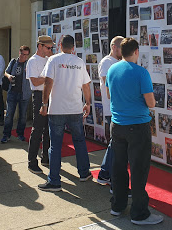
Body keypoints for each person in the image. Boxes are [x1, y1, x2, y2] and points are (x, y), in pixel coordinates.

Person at [105, 38, 163, 225]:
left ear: (121, 51)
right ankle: (139, 213)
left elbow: (108, 94)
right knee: (138, 169)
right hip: (137, 126)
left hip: (117, 125)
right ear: (136, 52)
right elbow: (151, 103)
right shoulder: (141, 73)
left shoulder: (112, 69)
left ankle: (117, 205)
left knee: (118, 166)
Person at [38, 35, 92, 191]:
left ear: (60, 45)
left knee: (55, 145)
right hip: (75, 108)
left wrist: (44, 104)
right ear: (73, 47)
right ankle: (84, 173)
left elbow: (48, 82)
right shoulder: (79, 62)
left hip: (57, 109)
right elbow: (86, 86)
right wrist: (87, 103)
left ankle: (54, 180)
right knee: (79, 141)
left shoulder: (53, 60)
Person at [96, 36, 124, 185]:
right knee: (115, 143)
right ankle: (106, 174)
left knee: (115, 143)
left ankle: (105, 173)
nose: (123, 51)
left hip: (117, 109)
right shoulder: (107, 62)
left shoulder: (118, 62)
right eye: (121, 48)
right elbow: (108, 84)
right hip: (111, 109)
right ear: (114, 47)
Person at [26, 36, 54, 174]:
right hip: (38, 95)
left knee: (48, 129)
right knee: (37, 129)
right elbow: (35, 82)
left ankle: (46, 157)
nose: (50, 50)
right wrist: (49, 77)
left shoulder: (50, 59)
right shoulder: (32, 61)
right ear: (40, 46)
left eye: (51, 48)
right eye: (48, 48)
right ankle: (32, 161)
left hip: (50, 95)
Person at [0, 46, 32, 143]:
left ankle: (20, 134)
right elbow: (6, 72)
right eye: (23, 54)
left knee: (22, 116)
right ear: (19, 53)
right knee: (9, 115)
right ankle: (6, 135)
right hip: (12, 92)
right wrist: (9, 76)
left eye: (26, 55)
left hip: (24, 93)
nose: (24, 57)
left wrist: (29, 72)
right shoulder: (14, 62)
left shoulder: (29, 64)